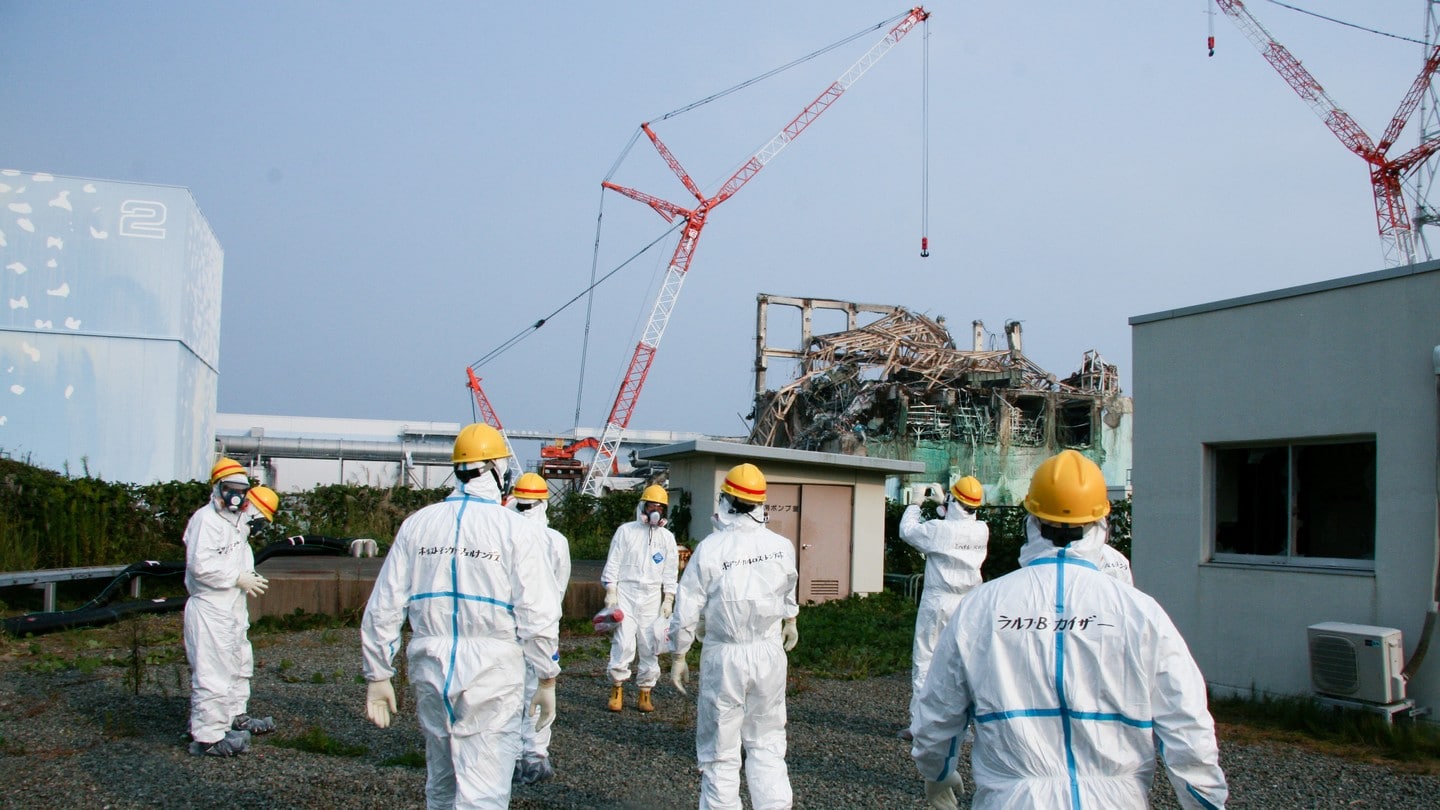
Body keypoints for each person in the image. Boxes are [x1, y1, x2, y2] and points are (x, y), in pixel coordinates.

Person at [911, 450, 1228, 810]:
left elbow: (938, 711)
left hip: (1012, 799)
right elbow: (1188, 724)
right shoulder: (1140, 612)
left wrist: (936, 772)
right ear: (1101, 524)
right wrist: (1205, 801)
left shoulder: (982, 606)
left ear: (1031, 520)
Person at [360, 423, 561, 809]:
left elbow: (383, 606)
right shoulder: (516, 530)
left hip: (429, 663)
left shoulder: (417, 524)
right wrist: (547, 676)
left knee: (442, 777)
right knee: (483, 787)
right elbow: (538, 614)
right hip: (493, 668)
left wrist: (378, 673)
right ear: (497, 470)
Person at [670, 463, 799, 810]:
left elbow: (686, 609)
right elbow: (789, 588)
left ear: (726, 500)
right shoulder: (781, 545)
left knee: (720, 751)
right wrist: (790, 620)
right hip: (770, 655)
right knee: (768, 742)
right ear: (760, 504)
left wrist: (679, 654)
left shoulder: (712, 549)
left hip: (725, 657)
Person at [182, 458, 274, 757]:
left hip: (231, 608)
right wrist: (236, 578)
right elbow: (199, 567)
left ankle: (234, 717)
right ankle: (208, 736)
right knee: (213, 674)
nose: (237, 496)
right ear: (217, 489)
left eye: (242, 490)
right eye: (230, 489)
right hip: (210, 608)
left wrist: (243, 578)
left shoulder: (235, 522)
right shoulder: (205, 520)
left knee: (238, 664)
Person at [898, 475, 989, 742]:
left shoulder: (940, 530)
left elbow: (908, 531)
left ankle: (920, 726)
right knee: (963, 664)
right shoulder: (982, 529)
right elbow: (958, 527)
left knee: (925, 661)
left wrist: (916, 503)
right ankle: (964, 726)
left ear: (954, 500)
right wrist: (945, 506)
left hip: (939, 600)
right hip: (969, 603)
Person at [507, 472, 571, 787]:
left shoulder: (500, 534)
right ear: (544, 503)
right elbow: (558, 587)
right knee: (541, 690)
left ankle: (508, 754)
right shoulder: (555, 541)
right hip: (543, 627)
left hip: (504, 629)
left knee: (506, 691)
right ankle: (534, 754)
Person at [601, 482, 678, 713]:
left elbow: (671, 571)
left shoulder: (667, 538)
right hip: (626, 593)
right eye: (651, 505)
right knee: (623, 642)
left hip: (652, 597)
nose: (655, 510)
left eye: (660, 507)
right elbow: (613, 562)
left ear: (664, 512)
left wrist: (669, 599)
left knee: (650, 644)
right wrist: (611, 591)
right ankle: (617, 688)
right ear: (643, 507)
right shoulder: (626, 531)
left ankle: (645, 691)